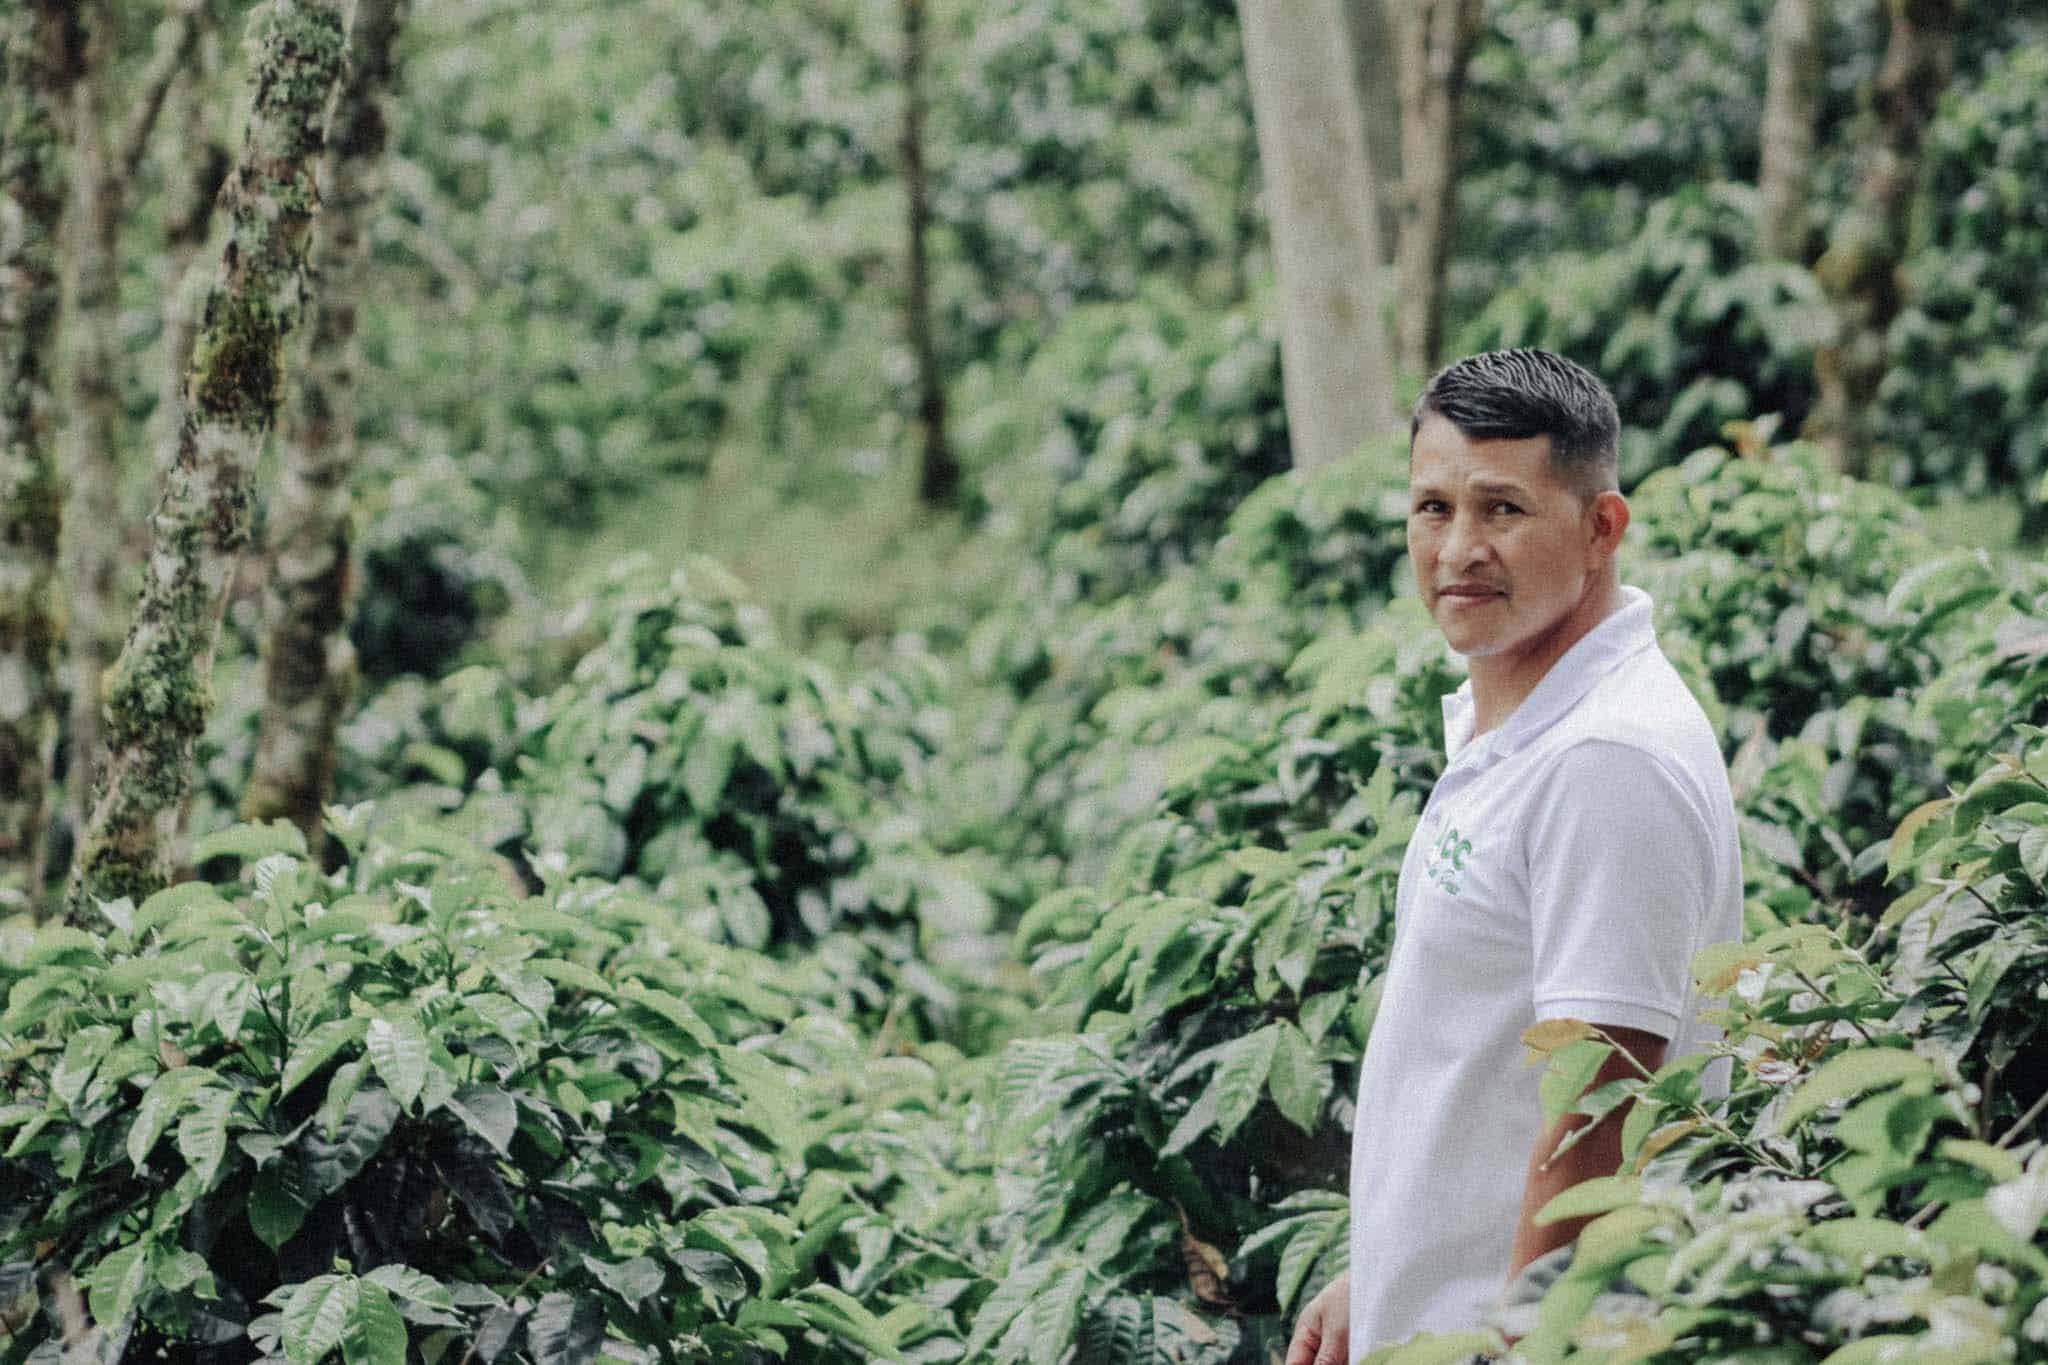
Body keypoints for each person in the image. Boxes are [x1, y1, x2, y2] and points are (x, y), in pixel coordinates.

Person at [1284, 349, 1743, 1365]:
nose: (1459, 549)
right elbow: (1475, 1055)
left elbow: (1597, 1115)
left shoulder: (1603, 759)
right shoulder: (1526, 721)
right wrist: (1384, 1274)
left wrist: (1515, 1346)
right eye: (1432, 508)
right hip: (1434, 1318)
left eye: (1501, 509)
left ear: (1600, 528)